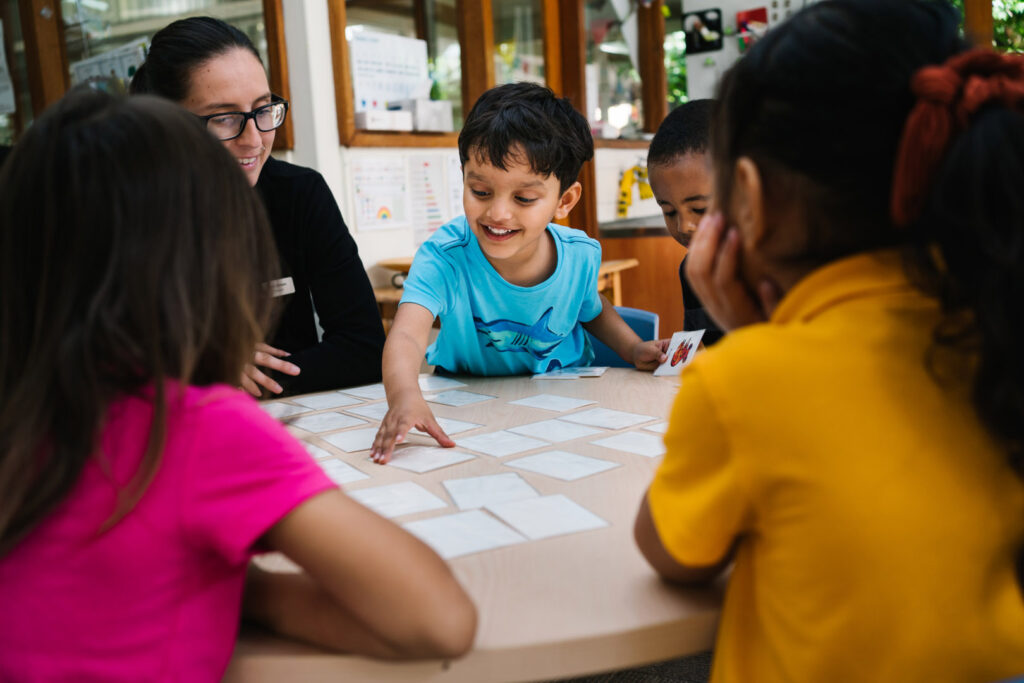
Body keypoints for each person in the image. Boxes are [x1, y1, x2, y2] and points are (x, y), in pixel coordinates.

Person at [0, 89, 475, 681]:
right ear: (210, 262)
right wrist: (237, 585)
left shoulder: (24, 417)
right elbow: (440, 618)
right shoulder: (195, 429)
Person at [633, 1, 1024, 681]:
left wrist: (755, 341)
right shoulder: (999, 320)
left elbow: (669, 549)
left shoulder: (747, 381)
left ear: (744, 196)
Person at [370, 82, 668, 462]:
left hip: (567, 408)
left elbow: (591, 308)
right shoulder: (444, 257)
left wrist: (631, 347)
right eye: (480, 191)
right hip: (468, 410)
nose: (498, 213)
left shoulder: (579, 255)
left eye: (524, 199)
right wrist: (405, 396)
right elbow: (407, 337)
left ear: (565, 200)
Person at [131, 16, 385, 397]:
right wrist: (213, 365)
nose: (254, 140)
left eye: (263, 110)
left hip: (290, 419)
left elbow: (365, 349)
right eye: (226, 118)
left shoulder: (299, 195)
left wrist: (258, 379)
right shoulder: (128, 214)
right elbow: (102, 367)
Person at [647, 99, 725, 346]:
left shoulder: (785, 270)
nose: (683, 227)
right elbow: (705, 348)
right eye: (669, 212)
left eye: (699, 209)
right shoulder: (692, 271)